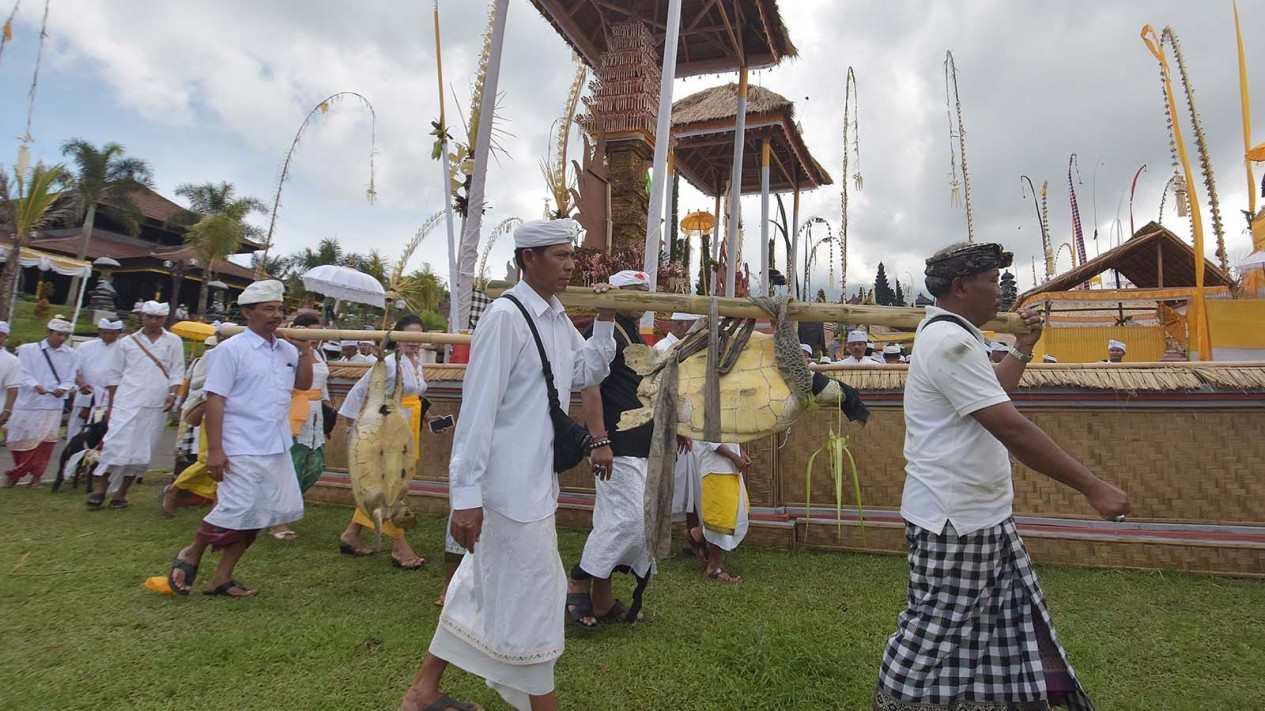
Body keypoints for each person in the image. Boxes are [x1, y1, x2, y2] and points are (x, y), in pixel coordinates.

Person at [874, 242, 1130, 711]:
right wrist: (1092, 486)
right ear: (961, 286)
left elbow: (994, 389)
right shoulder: (949, 343)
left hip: (977, 513)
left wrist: (1022, 348)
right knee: (935, 628)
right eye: (992, 281)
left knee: (986, 626)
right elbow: (1010, 426)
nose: (1000, 292)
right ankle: (895, 702)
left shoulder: (956, 336)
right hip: (956, 519)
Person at [399, 218, 617, 711]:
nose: (570, 265)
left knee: (478, 586)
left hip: (535, 484)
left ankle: (423, 691)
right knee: (536, 597)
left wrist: (605, 319)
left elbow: (586, 370)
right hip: (505, 492)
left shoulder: (556, 316)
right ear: (528, 260)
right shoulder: (504, 318)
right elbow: (477, 413)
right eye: (560, 255)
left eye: (572, 255)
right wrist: (466, 497)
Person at [164, 279, 313, 598]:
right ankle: (192, 551)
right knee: (235, 508)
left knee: (259, 512)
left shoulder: (286, 349)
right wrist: (216, 450)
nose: (276, 315)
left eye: (279, 309)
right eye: (268, 309)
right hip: (240, 444)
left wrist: (305, 351)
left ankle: (222, 577)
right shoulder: (230, 350)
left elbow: (303, 384)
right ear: (247, 313)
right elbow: (215, 400)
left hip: (275, 443)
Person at [568, 270, 656, 629]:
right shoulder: (603, 331)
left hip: (640, 442)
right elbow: (590, 387)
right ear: (616, 294)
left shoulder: (633, 333)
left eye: (645, 292)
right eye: (633, 292)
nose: (641, 298)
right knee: (630, 520)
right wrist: (600, 440)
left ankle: (602, 601)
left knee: (617, 520)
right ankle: (578, 579)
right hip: (617, 444)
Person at [336, 313, 435, 569]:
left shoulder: (417, 362)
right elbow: (359, 391)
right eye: (408, 336)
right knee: (391, 487)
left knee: (393, 484)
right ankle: (400, 548)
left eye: (418, 337)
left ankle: (351, 534)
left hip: (408, 430)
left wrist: (429, 419)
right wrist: (353, 427)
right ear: (398, 338)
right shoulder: (388, 364)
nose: (414, 342)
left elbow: (414, 398)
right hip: (386, 432)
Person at [87, 301, 184, 509]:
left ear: (164, 319)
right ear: (142, 317)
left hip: (156, 404)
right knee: (115, 445)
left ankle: (121, 494)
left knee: (142, 450)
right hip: (127, 401)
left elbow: (177, 371)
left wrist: (173, 394)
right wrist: (112, 405)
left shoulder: (173, 341)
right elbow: (114, 375)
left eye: (158, 318)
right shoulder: (127, 342)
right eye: (150, 317)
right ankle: (100, 488)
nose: (153, 321)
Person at [270, 314, 333, 541]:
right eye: (309, 332)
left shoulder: (319, 353)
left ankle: (287, 504)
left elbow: (322, 386)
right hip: (293, 412)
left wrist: (328, 408)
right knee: (292, 464)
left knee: (315, 465)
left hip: (316, 415)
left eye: (318, 333)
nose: (314, 338)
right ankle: (278, 521)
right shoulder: (286, 351)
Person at [3, 319, 75, 488]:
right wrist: (36, 386)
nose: (62, 338)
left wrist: (63, 388)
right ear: (48, 332)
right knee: (20, 440)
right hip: (28, 403)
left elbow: (70, 377)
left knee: (45, 443)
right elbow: (23, 372)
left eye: (66, 335)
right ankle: (17, 473)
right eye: (59, 334)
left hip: (53, 405)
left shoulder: (71, 354)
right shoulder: (28, 350)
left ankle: (36, 478)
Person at [161, 333, 226, 516]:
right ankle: (174, 490)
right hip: (213, 411)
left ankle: (218, 508)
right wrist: (219, 376)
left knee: (231, 462)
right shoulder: (212, 354)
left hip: (239, 414)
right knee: (206, 460)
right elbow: (195, 383)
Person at [682, 440, 749, 584]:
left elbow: (728, 432)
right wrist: (734, 457)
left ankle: (698, 534)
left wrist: (740, 450)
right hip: (715, 467)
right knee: (718, 519)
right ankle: (713, 567)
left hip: (730, 467)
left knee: (733, 514)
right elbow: (710, 439)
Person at [67, 318, 123, 440]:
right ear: (99, 331)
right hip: (86, 395)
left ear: (119, 333)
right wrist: (81, 383)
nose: (108, 336)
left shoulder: (125, 349)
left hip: (109, 398)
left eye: (113, 333)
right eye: (105, 332)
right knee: (76, 432)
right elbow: (74, 369)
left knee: (101, 434)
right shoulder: (85, 347)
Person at [0, 322, 22, 439]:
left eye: (1, 335)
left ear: (6, 337)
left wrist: (7, 410)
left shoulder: (11, 360)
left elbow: (12, 387)